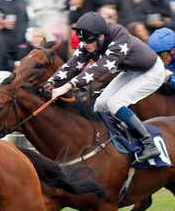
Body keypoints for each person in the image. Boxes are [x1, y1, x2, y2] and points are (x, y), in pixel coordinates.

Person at [46, 11, 165, 162]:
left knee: (115, 103)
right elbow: (72, 65)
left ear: (101, 37)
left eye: (88, 41)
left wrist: (68, 86)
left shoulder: (120, 36)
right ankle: (107, 142)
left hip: (152, 71)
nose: (84, 45)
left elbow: (99, 69)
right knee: (100, 105)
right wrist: (51, 81)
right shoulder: (90, 41)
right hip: (131, 71)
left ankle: (149, 145)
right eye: (82, 41)